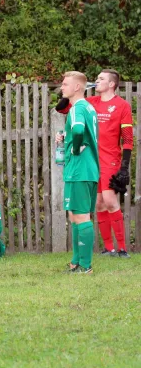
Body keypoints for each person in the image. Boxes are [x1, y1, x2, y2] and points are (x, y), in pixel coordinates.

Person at [57, 69, 133, 258]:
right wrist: (77, 89)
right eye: (96, 78)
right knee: (98, 205)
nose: (96, 81)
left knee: (110, 201)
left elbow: (128, 139)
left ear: (112, 84)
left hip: (111, 159)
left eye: (101, 79)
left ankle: (122, 248)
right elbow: (62, 108)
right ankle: (108, 248)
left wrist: (124, 166)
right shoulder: (90, 102)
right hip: (91, 160)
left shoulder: (122, 105)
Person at [56, 71, 100, 274]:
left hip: (79, 170)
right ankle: (76, 262)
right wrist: (66, 138)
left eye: (65, 84)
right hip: (87, 169)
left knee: (81, 216)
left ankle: (86, 265)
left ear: (77, 87)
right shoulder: (89, 107)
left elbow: (80, 131)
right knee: (74, 215)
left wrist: (74, 149)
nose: (62, 87)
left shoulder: (77, 109)